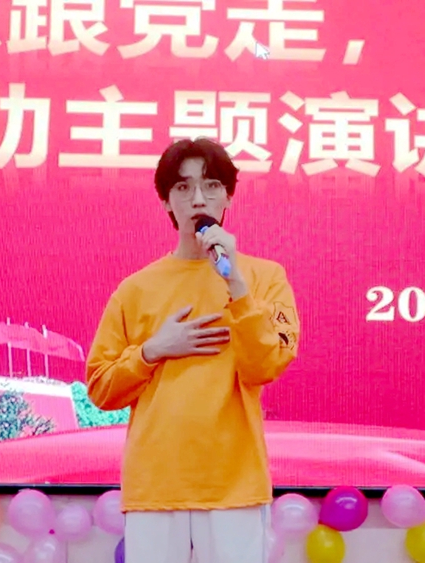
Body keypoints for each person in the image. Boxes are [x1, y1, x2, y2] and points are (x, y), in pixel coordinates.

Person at [86, 138, 300, 563]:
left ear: (229, 196)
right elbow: (100, 388)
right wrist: (152, 351)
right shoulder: (135, 289)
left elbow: (266, 365)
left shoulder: (264, 278)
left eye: (212, 185)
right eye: (183, 188)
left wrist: (236, 284)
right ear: (166, 202)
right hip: (156, 485)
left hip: (233, 484)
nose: (198, 198)